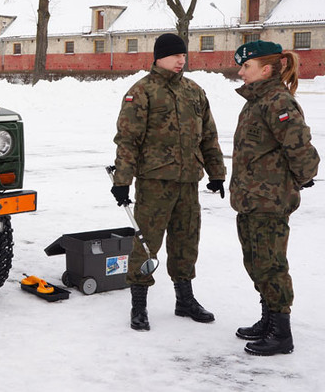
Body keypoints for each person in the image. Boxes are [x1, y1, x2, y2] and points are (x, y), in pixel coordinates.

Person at [112, 33, 226, 331]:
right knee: (146, 243)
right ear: (159, 57)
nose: (181, 60)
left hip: (188, 181)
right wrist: (122, 180)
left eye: (183, 55)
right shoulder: (142, 91)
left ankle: (184, 299)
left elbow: (209, 137)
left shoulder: (194, 91)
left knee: (186, 240)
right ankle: (139, 305)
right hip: (154, 182)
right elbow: (128, 140)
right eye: (175, 55)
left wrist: (217, 173)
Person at [230, 40, 319, 356]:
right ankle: (268, 318)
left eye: (246, 66)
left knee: (271, 265)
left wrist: (302, 177)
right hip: (251, 199)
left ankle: (281, 333)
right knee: (255, 261)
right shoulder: (256, 100)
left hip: (269, 201)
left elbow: (300, 149)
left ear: (265, 69)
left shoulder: (277, 102)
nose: (240, 72)